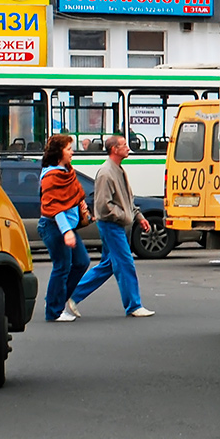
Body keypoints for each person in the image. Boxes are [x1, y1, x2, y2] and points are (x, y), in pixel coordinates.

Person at [67, 135, 155, 318]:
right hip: (110, 225)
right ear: (114, 149)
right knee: (125, 263)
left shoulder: (118, 169)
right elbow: (103, 206)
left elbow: (127, 199)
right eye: (124, 145)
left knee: (108, 264)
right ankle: (133, 305)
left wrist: (138, 216)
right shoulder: (106, 173)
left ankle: (71, 295)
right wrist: (126, 216)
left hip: (116, 224)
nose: (128, 148)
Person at [37, 134, 92, 323]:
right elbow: (54, 207)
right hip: (55, 227)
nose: (72, 152)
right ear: (59, 152)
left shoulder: (67, 171)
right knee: (62, 267)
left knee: (82, 262)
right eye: (69, 149)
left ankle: (55, 299)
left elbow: (73, 195)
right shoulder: (51, 176)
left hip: (66, 227)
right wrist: (66, 231)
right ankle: (53, 310)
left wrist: (81, 204)